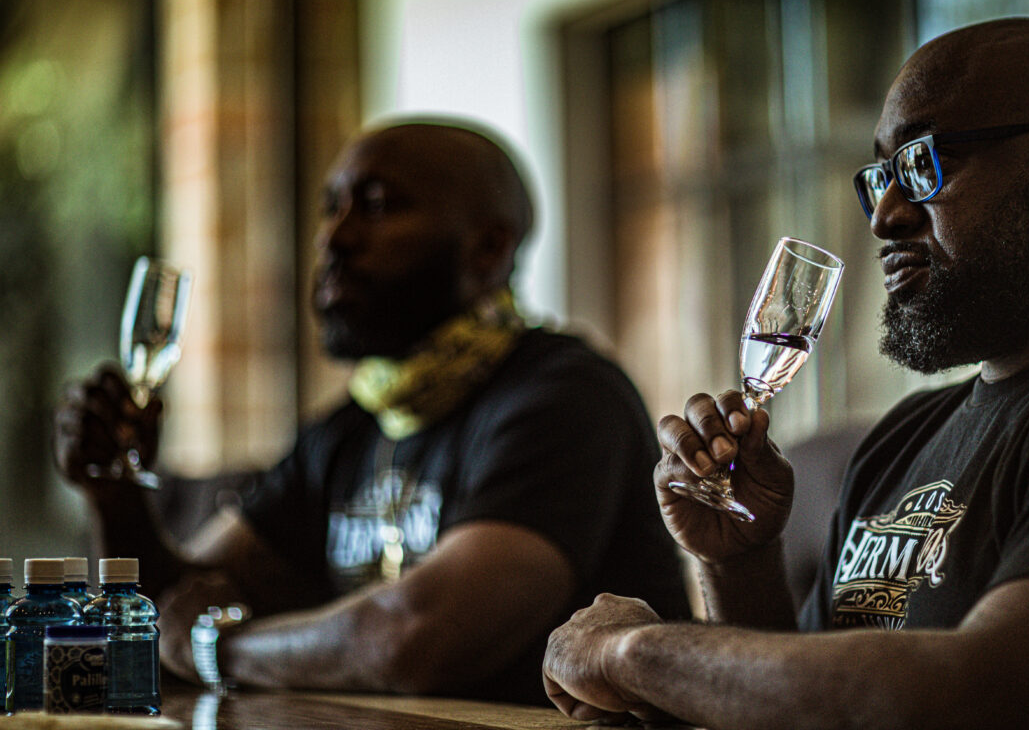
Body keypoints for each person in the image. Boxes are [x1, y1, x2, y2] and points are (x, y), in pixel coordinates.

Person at [542, 17, 1029, 728]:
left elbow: (974, 697)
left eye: (922, 164)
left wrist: (631, 655)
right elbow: (816, 704)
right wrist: (743, 564)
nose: (885, 215)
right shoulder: (910, 434)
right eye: (880, 177)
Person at [55, 118, 689, 704]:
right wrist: (115, 491)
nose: (334, 237)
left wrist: (222, 648)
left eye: (379, 206)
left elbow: (416, 639)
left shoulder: (565, 397)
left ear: (488, 249)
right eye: (332, 207)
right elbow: (170, 612)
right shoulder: (348, 431)